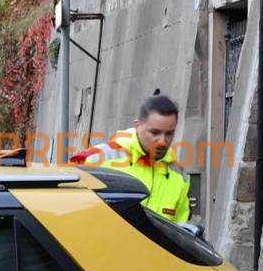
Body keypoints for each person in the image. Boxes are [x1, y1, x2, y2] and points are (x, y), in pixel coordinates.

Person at [71, 90, 190, 223]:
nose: (162, 140)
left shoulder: (179, 176)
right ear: (137, 126)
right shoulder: (97, 159)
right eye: (154, 132)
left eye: (169, 134)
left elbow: (180, 232)